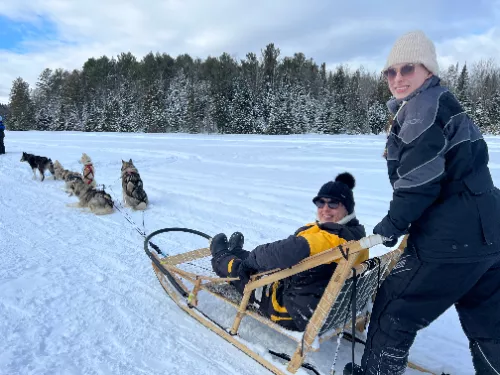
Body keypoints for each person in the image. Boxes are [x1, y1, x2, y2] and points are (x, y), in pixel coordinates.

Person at [344, 30, 500, 375]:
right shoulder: (446, 103)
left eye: (408, 69)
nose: (397, 78)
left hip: (451, 237)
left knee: (395, 308)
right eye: (390, 71)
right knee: (489, 325)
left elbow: (419, 184)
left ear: (428, 70)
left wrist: (390, 227)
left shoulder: (421, 108)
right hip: (491, 232)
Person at [210, 172, 367, 332]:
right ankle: (238, 252)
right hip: (321, 298)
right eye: (321, 203)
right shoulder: (355, 235)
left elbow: (286, 251)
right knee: (262, 263)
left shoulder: (332, 240)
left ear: (347, 208)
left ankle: (222, 260)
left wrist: (251, 260)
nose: (325, 209)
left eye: (333, 204)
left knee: (248, 273)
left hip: (293, 309)